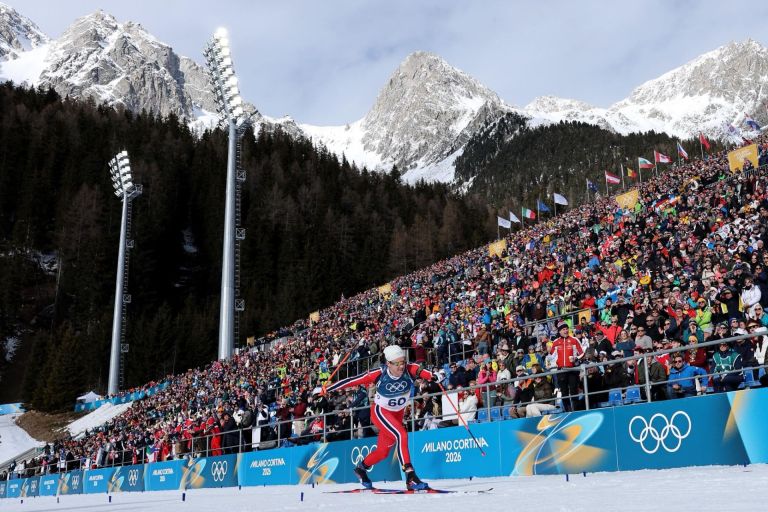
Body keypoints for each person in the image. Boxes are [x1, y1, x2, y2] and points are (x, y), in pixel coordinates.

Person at [322, 344, 433, 491]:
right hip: (381, 412)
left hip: (397, 414)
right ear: (388, 363)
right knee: (401, 434)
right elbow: (353, 380)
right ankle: (410, 476)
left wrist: (435, 376)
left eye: (403, 362)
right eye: (397, 364)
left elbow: (422, 371)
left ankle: (361, 469)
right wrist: (328, 388)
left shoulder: (409, 369)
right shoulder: (379, 373)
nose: (401, 366)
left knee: (383, 452)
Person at [549, 322, 584, 411]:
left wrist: (576, 358)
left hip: (572, 369)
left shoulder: (574, 339)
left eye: (567, 329)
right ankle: (568, 411)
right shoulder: (556, 342)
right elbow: (551, 356)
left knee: (573, 391)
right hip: (561, 370)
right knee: (564, 392)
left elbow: (582, 353)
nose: (566, 331)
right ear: (559, 331)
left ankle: (576, 410)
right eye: (563, 329)